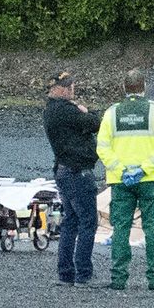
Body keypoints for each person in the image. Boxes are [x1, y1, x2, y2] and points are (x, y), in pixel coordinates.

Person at [97, 68, 154, 291]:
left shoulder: (112, 113)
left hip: (121, 181)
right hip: (151, 179)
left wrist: (122, 170)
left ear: (124, 88)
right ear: (144, 87)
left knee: (120, 228)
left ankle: (118, 279)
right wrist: (144, 169)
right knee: (153, 228)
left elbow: (103, 147)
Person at [43, 71, 101, 287]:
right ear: (60, 89)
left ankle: (65, 273)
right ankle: (83, 273)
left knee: (70, 221)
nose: (72, 90)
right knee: (87, 221)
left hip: (63, 170)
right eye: (69, 86)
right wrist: (88, 111)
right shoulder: (67, 112)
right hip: (77, 171)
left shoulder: (50, 110)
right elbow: (96, 123)